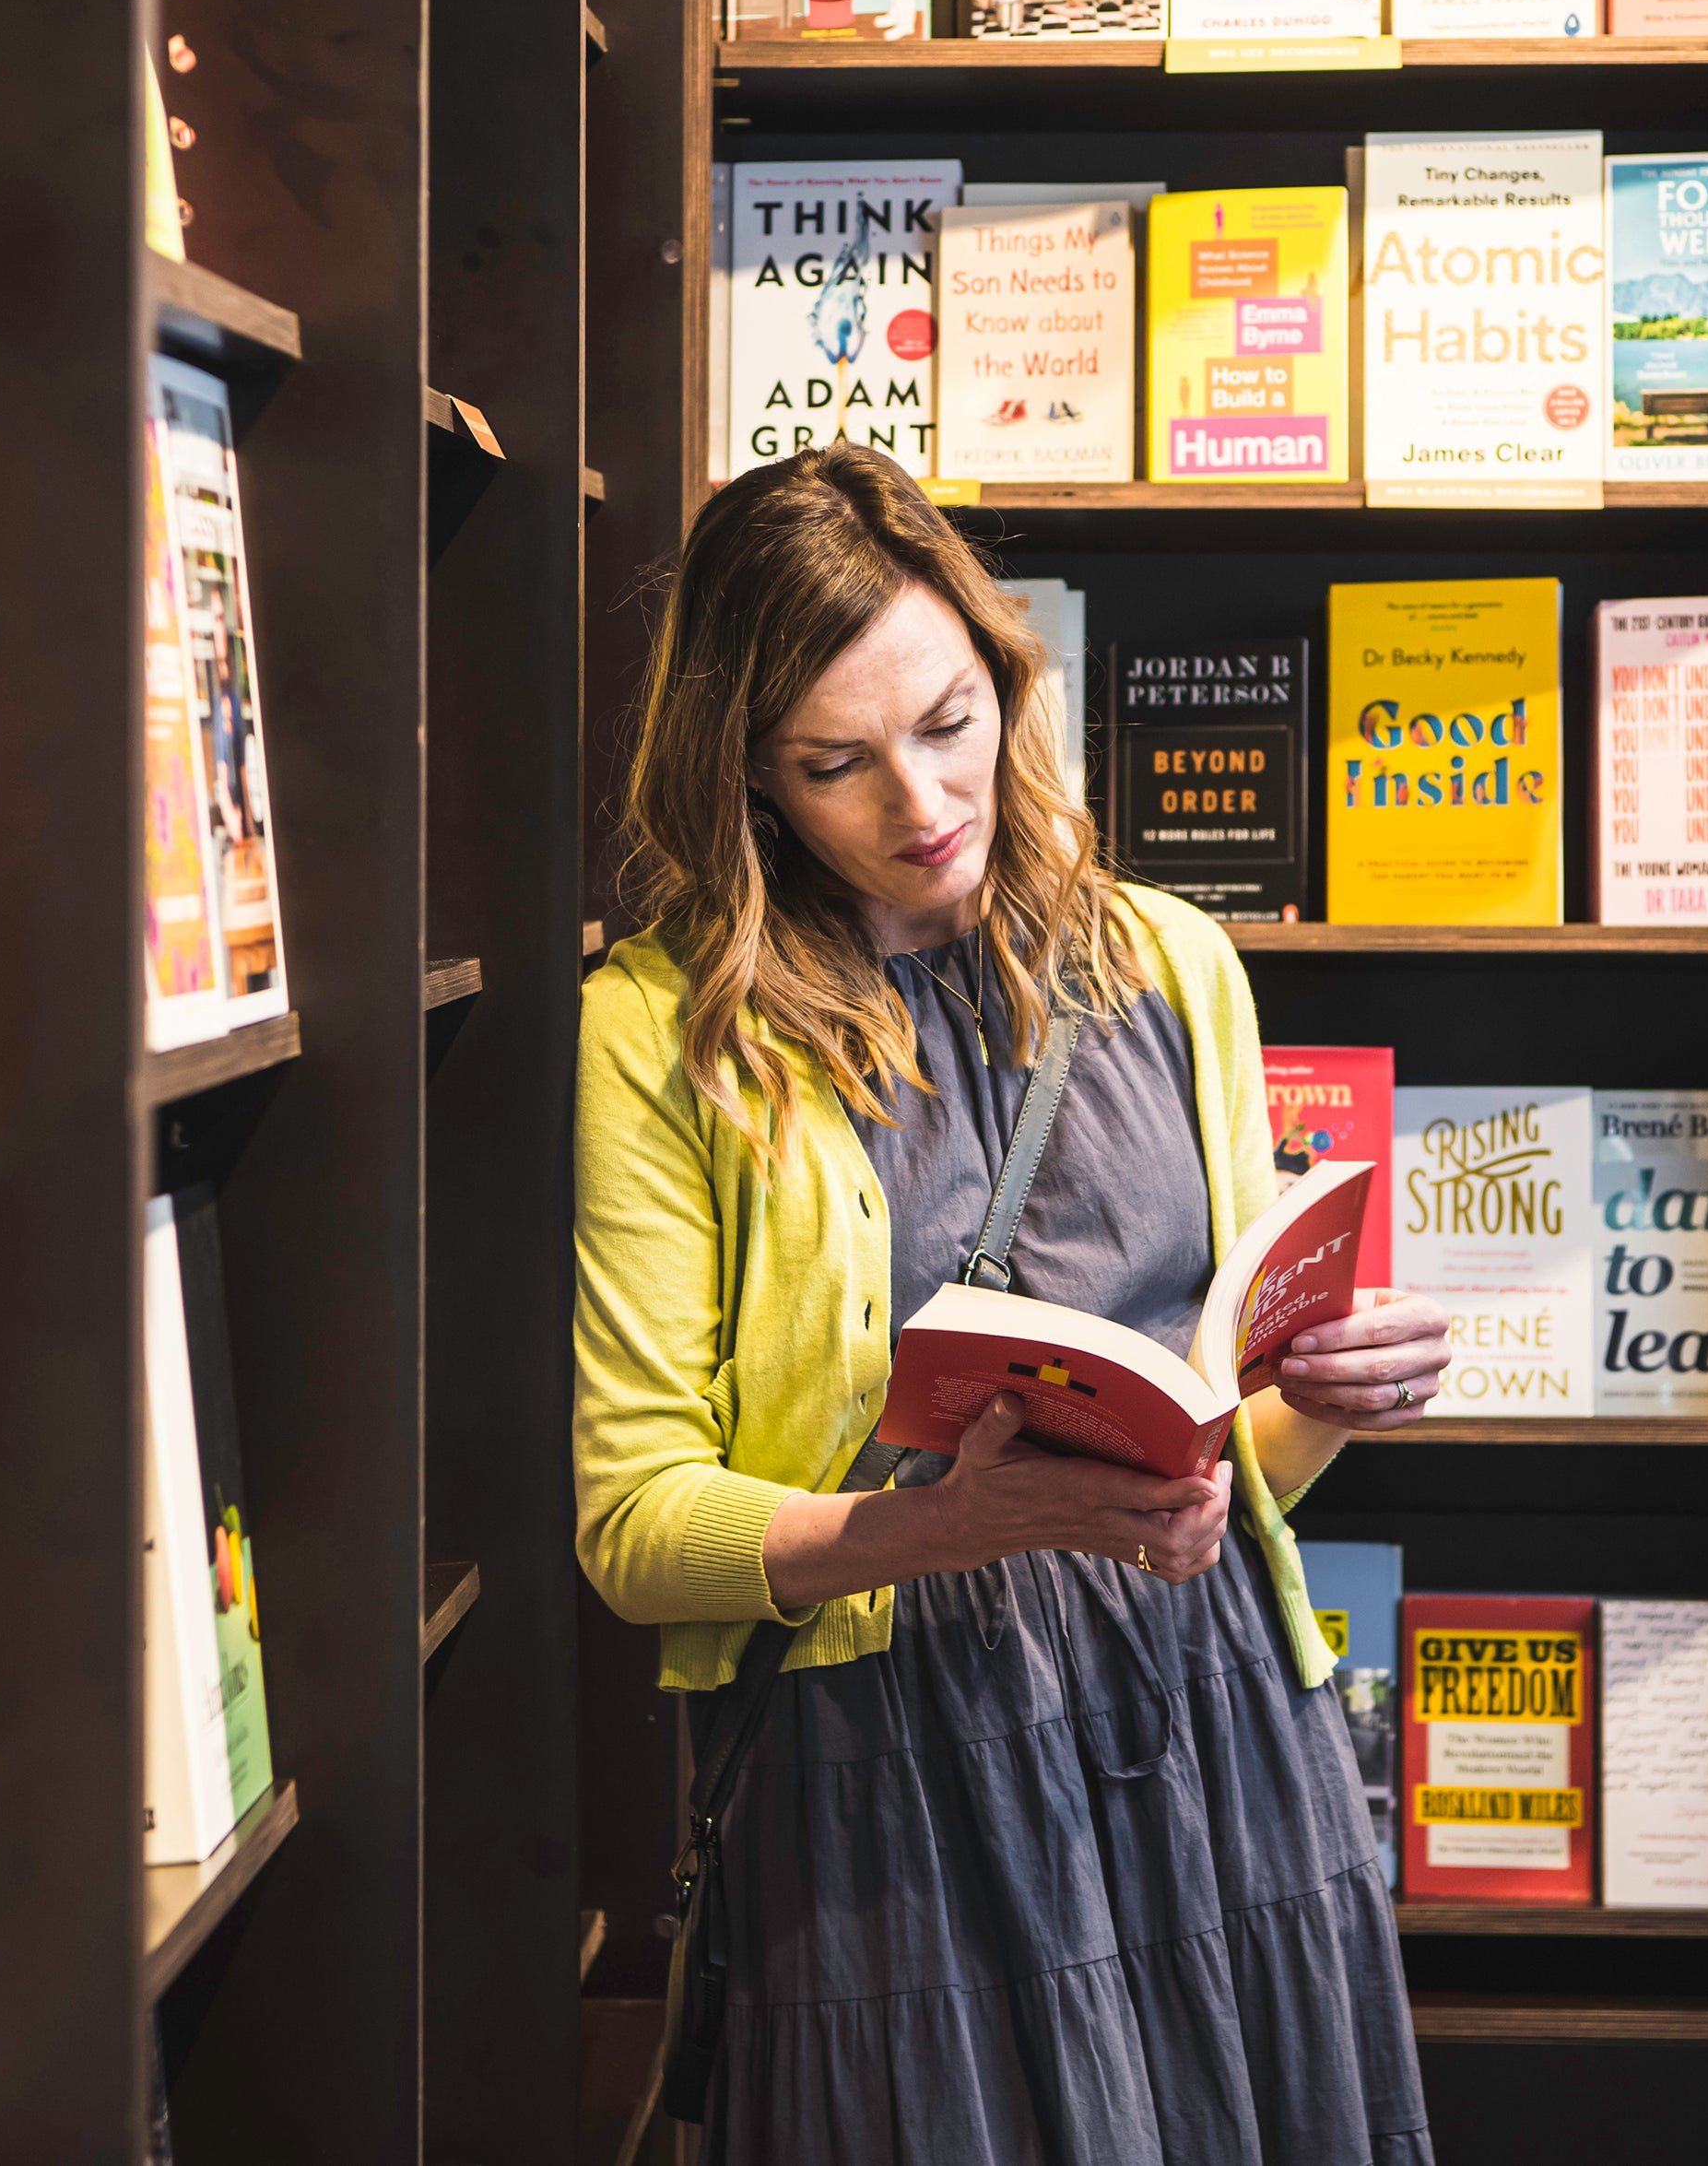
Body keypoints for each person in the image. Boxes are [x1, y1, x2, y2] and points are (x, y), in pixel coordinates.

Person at [576, 443, 1449, 2161]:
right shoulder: (665, 1035)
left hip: (1211, 1737)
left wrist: (1323, 1398)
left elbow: (1231, 1462)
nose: (922, 804)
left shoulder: (1171, 963)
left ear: (1005, 675)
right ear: (749, 780)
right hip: (894, 1779)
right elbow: (633, 1526)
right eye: (837, 763)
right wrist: (957, 1526)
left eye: (952, 720)